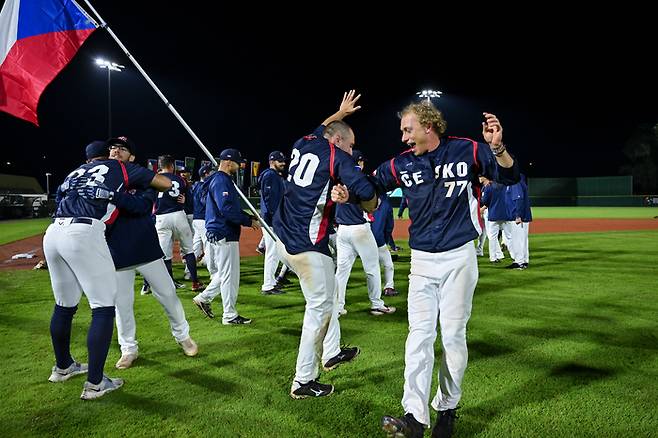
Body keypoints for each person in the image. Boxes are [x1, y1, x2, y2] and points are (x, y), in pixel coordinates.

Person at [332, 102, 519, 437]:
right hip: (421, 261)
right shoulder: (400, 164)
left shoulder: (467, 149)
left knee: (452, 336)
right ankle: (415, 417)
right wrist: (349, 195)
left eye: (408, 129)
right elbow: (372, 193)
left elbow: (509, 174)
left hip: (458, 258)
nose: (404, 137)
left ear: (429, 126)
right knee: (418, 336)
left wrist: (497, 146)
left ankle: (447, 408)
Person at [45, 140, 170, 400]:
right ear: (107, 155)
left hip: (54, 231)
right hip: (84, 231)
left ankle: (63, 366)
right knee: (102, 308)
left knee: (64, 305)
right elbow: (164, 183)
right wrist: (130, 184)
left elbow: (60, 196)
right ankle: (96, 383)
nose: (116, 153)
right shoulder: (119, 167)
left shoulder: (75, 171)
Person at [273, 90, 377, 399]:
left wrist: (341, 112)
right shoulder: (336, 155)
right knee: (317, 311)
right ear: (338, 142)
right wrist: (370, 204)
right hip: (308, 247)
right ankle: (303, 380)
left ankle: (331, 352)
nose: (351, 150)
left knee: (328, 301)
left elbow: (323, 128)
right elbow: (366, 191)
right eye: (349, 144)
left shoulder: (302, 142)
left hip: (285, 238)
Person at [93, 136, 199, 369]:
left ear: (131, 156)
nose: (115, 151)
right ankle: (128, 348)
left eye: (122, 149)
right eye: (112, 148)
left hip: (144, 246)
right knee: (122, 304)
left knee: (168, 294)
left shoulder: (141, 176)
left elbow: (141, 206)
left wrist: (112, 195)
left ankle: (183, 336)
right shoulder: (103, 176)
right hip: (116, 249)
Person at [192, 148, 260, 324]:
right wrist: (247, 221)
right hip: (223, 232)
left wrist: (247, 216)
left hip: (218, 231)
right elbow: (226, 209)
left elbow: (228, 206)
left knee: (224, 273)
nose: (239, 166)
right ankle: (229, 315)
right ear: (228, 162)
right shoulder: (222, 180)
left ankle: (204, 298)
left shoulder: (217, 179)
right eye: (237, 163)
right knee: (229, 276)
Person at [334, 149, 396, 316]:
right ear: (359, 162)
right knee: (372, 268)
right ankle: (376, 304)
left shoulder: (339, 179)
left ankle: (338, 307)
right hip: (359, 229)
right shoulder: (360, 180)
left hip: (342, 231)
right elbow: (373, 204)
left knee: (342, 271)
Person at [154, 155, 202, 291]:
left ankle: (170, 284)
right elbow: (187, 199)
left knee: (166, 253)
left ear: (159, 166)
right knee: (189, 250)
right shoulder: (180, 179)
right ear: (172, 166)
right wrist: (184, 200)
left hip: (161, 218)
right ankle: (195, 282)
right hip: (178, 214)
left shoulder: (154, 179)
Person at [259, 150, 287, 295]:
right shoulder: (270, 175)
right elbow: (270, 200)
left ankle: (273, 281)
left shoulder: (275, 176)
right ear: (271, 162)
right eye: (279, 161)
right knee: (272, 253)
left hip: (274, 219)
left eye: (283, 160)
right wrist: (275, 218)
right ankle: (268, 285)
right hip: (271, 220)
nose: (283, 163)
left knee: (276, 252)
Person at [370, 192, 398, 297]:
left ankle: (335, 291)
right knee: (388, 264)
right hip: (377, 239)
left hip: (357, 235)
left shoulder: (361, 197)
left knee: (343, 268)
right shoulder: (385, 203)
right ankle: (388, 288)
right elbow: (389, 226)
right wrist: (385, 240)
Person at [505, 174, 532, 269]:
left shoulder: (515, 183)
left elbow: (519, 199)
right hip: (521, 217)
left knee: (518, 240)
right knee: (522, 240)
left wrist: (518, 215)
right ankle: (524, 261)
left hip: (518, 218)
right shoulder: (518, 183)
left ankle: (519, 262)